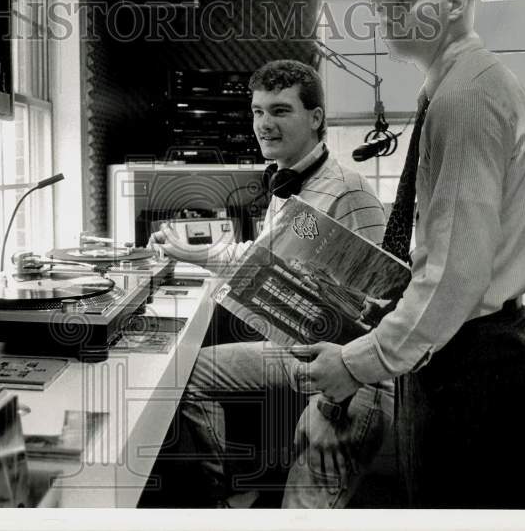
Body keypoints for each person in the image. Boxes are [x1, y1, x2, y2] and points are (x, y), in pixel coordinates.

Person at [288, 0, 525, 508]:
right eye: (381, 9)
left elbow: (456, 274)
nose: (388, 21)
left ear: (455, 4)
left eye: (403, 4)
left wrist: (358, 364)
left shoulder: (467, 98)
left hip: (472, 367)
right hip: (459, 355)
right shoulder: (454, 88)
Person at [151, 60, 394, 508]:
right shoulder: (286, 186)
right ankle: (219, 502)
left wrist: (348, 369)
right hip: (296, 350)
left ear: (316, 119)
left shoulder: (349, 192)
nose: (264, 124)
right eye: (258, 111)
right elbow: (258, 264)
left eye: (280, 111)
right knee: (187, 376)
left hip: (354, 373)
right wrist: (191, 254)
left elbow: (385, 302)